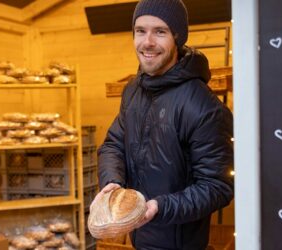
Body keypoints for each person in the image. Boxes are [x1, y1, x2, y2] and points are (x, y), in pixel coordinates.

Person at [94, 0, 234, 249]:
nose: (147, 42)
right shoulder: (133, 91)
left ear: (177, 38)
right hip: (140, 237)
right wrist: (112, 183)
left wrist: (159, 207)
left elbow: (217, 187)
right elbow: (113, 144)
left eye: (160, 31)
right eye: (140, 31)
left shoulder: (203, 106)